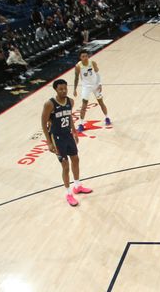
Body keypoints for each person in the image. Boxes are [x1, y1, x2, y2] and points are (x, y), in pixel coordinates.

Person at [41, 79, 92, 207]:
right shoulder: (49, 104)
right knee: (65, 166)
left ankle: (77, 186)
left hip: (68, 135)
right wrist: (49, 142)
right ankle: (68, 193)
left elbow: (69, 117)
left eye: (65, 88)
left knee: (76, 159)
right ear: (56, 90)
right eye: (61, 89)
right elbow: (43, 122)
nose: (63, 91)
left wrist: (74, 132)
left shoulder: (70, 101)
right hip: (57, 138)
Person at [74, 50, 111, 132]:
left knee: (101, 102)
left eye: (86, 56)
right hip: (86, 87)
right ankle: (81, 124)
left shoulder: (92, 63)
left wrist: (100, 84)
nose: (85, 58)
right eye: (83, 56)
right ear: (80, 58)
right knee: (84, 106)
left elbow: (98, 74)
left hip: (95, 85)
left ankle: (107, 117)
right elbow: (76, 78)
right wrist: (75, 89)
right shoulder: (78, 66)